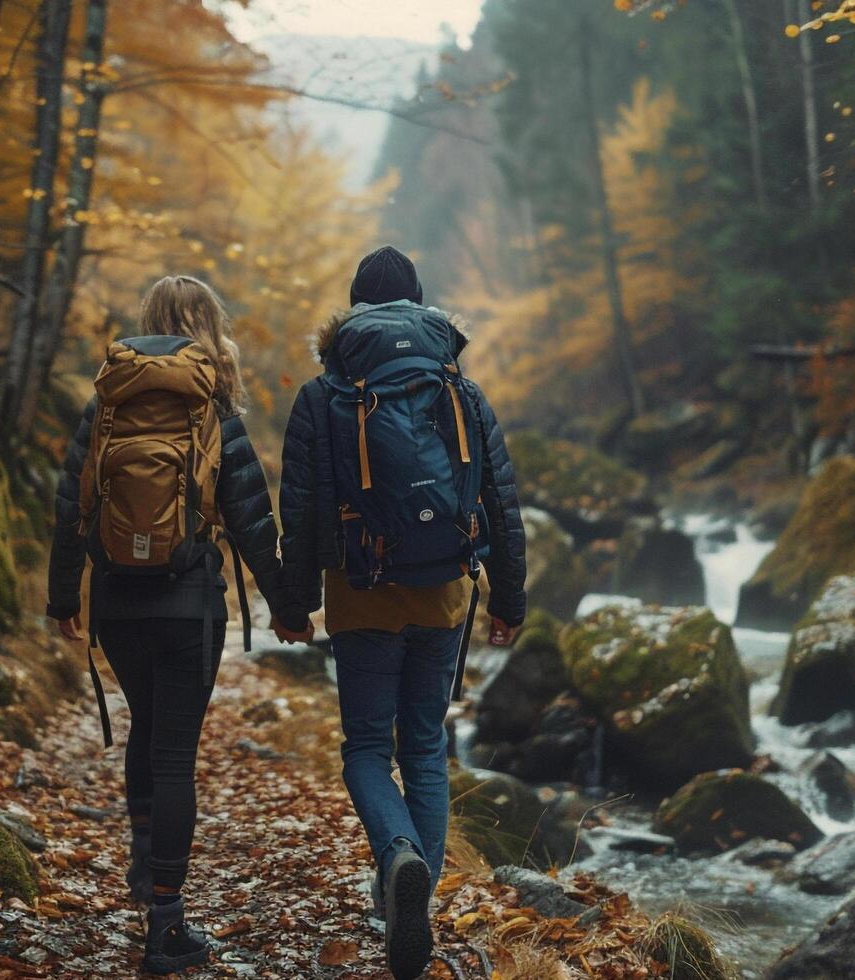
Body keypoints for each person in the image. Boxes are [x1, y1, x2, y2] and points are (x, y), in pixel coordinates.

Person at [274, 246, 527, 980]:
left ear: (352, 310)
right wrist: (508, 601)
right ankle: (418, 904)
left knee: (363, 749)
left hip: (359, 592)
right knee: (423, 748)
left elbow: (299, 507)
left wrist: (293, 604)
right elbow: (500, 503)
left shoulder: (322, 396)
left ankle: (397, 861)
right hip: (444, 589)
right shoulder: (458, 387)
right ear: (420, 305)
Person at [47, 275, 297, 975]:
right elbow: (251, 518)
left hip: (118, 605)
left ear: (147, 322)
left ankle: (139, 864)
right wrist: (285, 605)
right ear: (208, 329)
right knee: (173, 755)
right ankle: (164, 922)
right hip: (189, 604)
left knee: (145, 727)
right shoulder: (213, 409)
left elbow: (72, 503)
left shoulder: (105, 404)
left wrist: (62, 597)